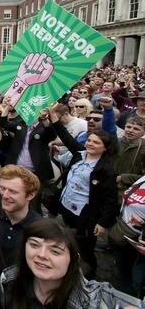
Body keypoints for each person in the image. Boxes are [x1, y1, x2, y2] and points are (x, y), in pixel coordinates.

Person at [0, 218, 142, 308]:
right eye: (34, 245)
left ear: (74, 259)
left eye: (55, 251)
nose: (41, 255)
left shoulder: (94, 298)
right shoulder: (9, 281)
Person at [46, 105, 118, 279]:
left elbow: (110, 199)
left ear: (105, 148)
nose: (90, 144)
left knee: (84, 249)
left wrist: (102, 223)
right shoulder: (79, 154)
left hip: (85, 215)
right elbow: (65, 135)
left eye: (96, 143)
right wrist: (53, 115)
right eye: (89, 140)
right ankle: (67, 270)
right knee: (67, 240)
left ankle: (88, 278)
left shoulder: (105, 170)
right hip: (67, 207)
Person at [0, 165, 42, 268]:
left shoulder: (38, 229)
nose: (5, 195)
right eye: (2, 188)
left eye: (13, 191)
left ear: (30, 195)